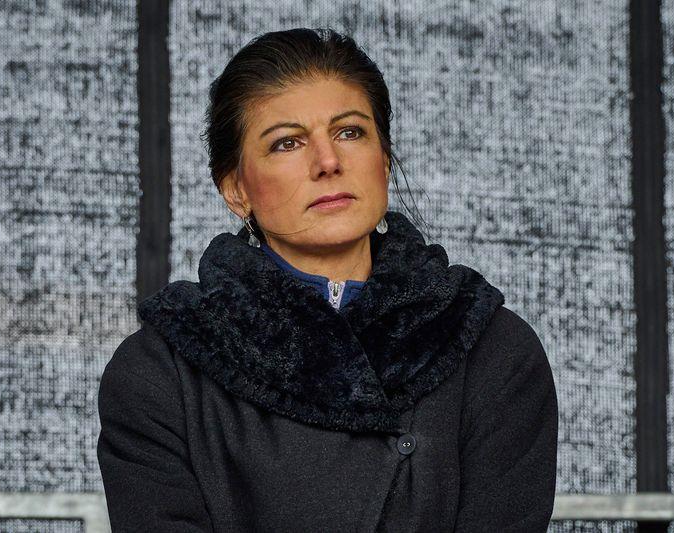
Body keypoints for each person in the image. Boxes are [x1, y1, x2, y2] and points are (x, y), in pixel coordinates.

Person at [96, 27, 558, 532]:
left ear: (384, 158)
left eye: (350, 132)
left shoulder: (490, 349)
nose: (328, 162)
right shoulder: (162, 373)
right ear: (236, 190)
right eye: (287, 143)